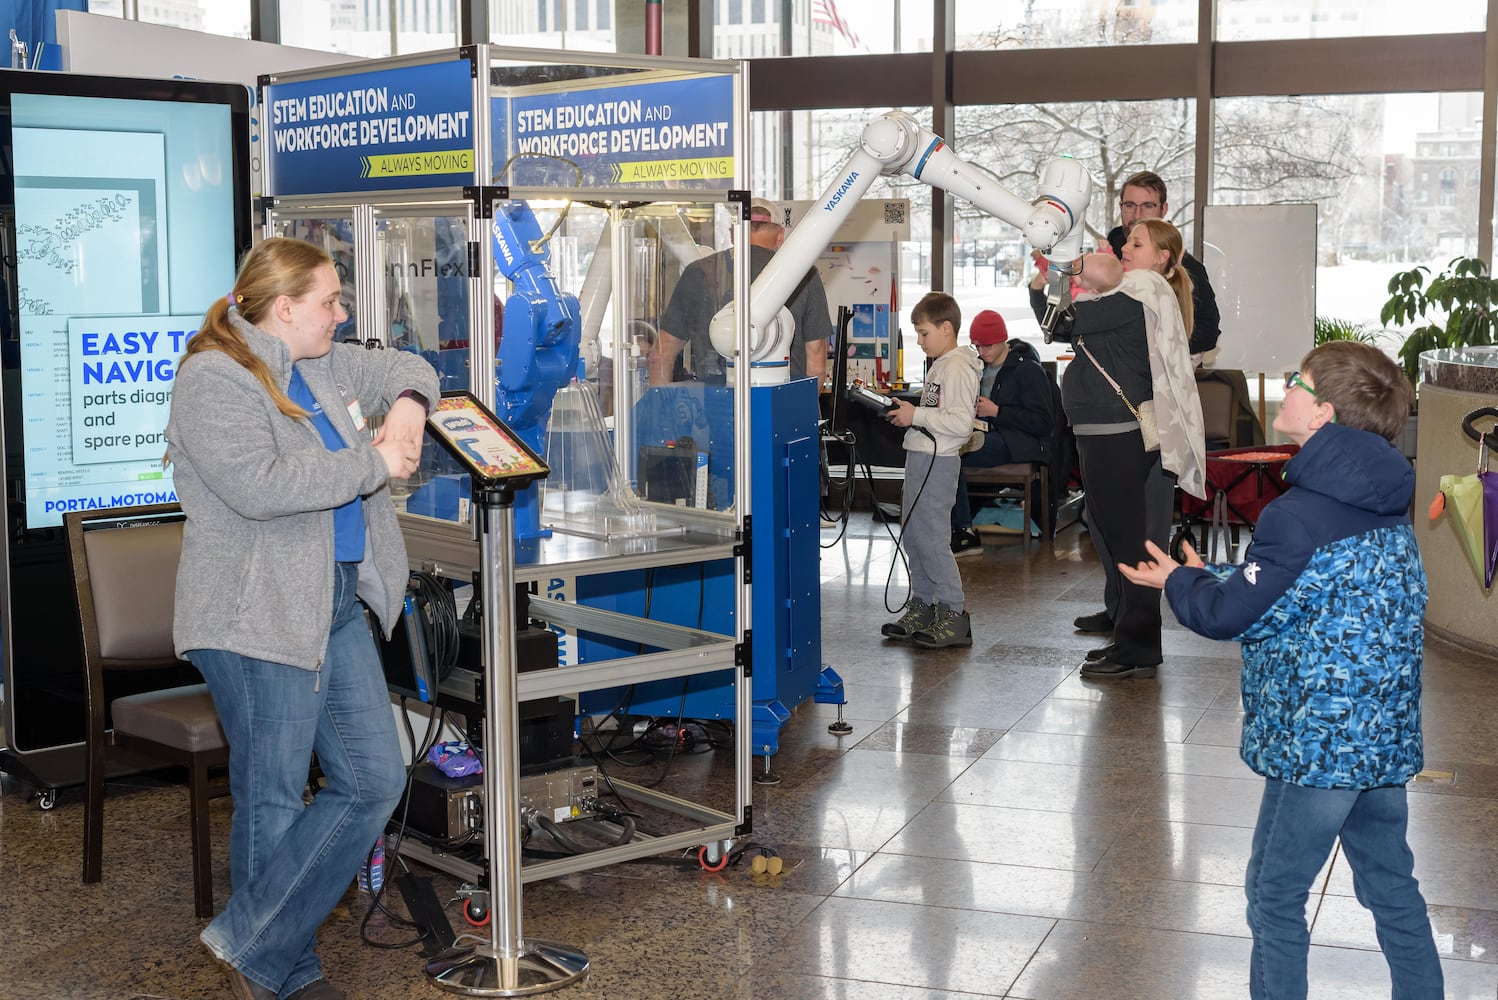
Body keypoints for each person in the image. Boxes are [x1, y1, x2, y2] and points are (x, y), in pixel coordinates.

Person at [1119, 341, 1440, 1000]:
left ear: (1323, 413)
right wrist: (1202, 575)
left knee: (1274, 898)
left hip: (1320, 747)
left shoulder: (1294, 516)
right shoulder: (1386, 498)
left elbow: (1230, 616)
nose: (1286, 387)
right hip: (1379, 739)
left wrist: (1184, 583)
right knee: (1393, 891)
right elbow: (1306, 597)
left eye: (1298, 380)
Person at [166, 237, 440, 1000]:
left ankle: (253, 944)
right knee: (275, 795)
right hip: (254, 615)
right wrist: (373, 461)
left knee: (374, 779)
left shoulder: (322, 363)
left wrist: (409, 411)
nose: (342, 313)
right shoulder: (213, 379)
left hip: (334, 602)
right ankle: (283, 974)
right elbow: (262, 484)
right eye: (329, 301)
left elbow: (406, 366)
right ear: (284, 308)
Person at [1029, 228, 1204, 679]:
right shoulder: (1131, 292)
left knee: (1129, 541)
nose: (1124, 249)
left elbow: (1063, 324)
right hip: (1103, 431)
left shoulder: (1141, 291)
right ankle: (1128, 634)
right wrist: (1044, 285)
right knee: (1114, 536)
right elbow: (1060, 325)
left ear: (1163, 257)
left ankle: (1139, 646)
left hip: (1116, 433)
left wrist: (1050, 277)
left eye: (1137, 245)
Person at [879, 291, 981, 648]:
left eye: (923, 333)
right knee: (913, 536)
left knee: (933, 539)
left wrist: (915, 415)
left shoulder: (957, 366)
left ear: (947, 328)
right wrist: (908, 411)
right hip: (921, 457)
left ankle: (953, 612)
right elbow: (937, 413)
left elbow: (961, 423)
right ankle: (923, 604)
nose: (919, 341)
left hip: (939, 462)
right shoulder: (942, 363)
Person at [650, 197, 832, 385]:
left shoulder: (699, 272)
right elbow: (816, 362)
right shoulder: (802, 273)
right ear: (780, 236)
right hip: (782, 406)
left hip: (715, 406)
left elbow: (660, 357)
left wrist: (660, 409)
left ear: (733, 234)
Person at [949, 309, 1053, 557]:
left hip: (1019, 442)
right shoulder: (978, 368)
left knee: (952, 455)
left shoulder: (1027, 370)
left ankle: (963, 530)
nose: (982, 352)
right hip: (989, 435)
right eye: (977, 346)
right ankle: (958, 528)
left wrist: (997, 411)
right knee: (948, 454)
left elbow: (1043, 423)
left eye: (987, 346)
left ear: (1002, 340)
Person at [1105, 170, 1221, 356]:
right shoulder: (1110, 251)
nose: (1137, 214)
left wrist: (1153, 347)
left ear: (1163, 209)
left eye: (1148, 206)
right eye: (1129, 205)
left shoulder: (1187, 268)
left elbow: (1208, 333)